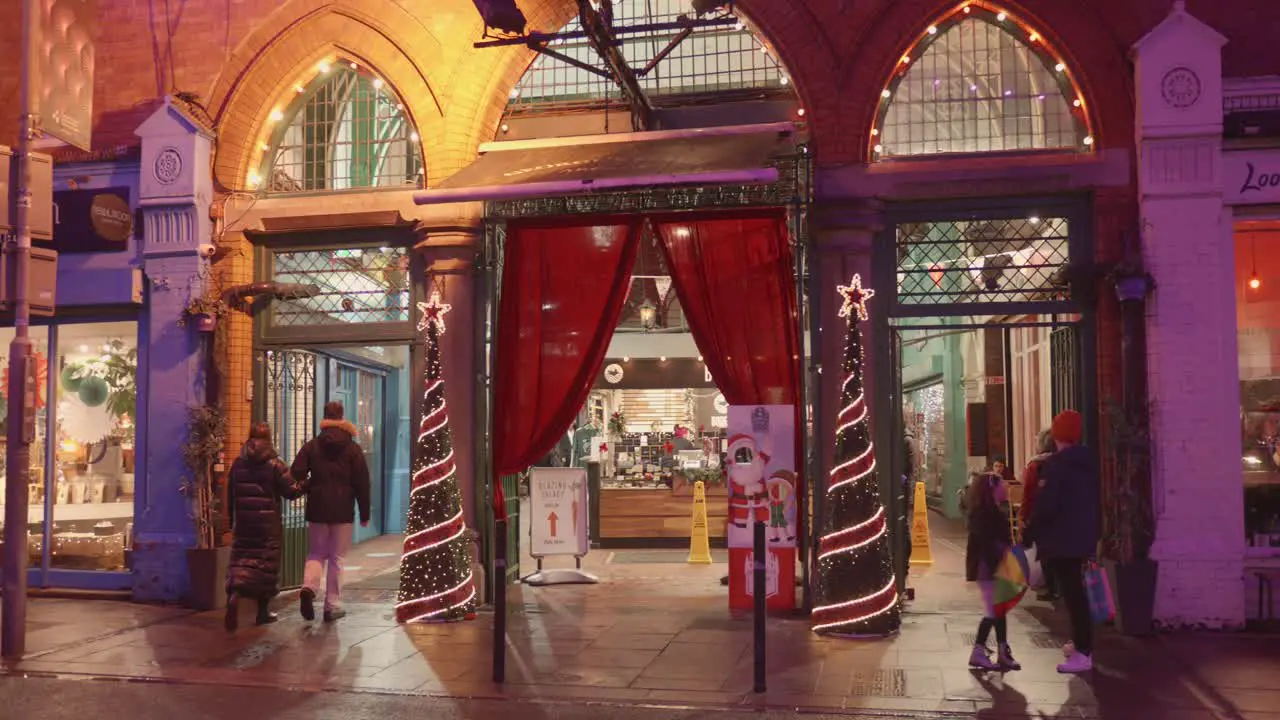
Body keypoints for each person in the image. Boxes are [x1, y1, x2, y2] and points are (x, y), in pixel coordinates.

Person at [1024, 409, 1099, 674]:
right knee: (1075, 594)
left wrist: (1029, 533)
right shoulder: (1087, 462)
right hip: (1080, 537)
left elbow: (1047, 506)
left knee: (1073, 596)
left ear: (1057, 434)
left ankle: (1083, 652)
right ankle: (1080, 642)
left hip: (1062, 540)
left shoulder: (1057, 465)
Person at [291, 401, 371, 623]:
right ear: (342, 417)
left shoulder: (312, 446)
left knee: (316, 553)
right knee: (337, 558)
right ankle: (332, 605)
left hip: (317, 507)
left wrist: (310, 482)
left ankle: (309, 588)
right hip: (343, 511)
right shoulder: (353, 448)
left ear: (324, 418)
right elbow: (362, 482)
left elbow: (296, 472)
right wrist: (364, 513)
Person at [224, 422, 305, 632]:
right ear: (269, 439)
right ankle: (262, 612)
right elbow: (290, 491)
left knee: (241, 560)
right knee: (265, 565)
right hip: (267, 525)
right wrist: (306, 485)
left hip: (244, 523)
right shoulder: (275, 463)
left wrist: (231, 520)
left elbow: (230, 494)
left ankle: (235, 594)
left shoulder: (238, 463)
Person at [965, 470, 1020, 671]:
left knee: (997, 609)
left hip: (989, 567)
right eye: (1001, 485)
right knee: (993, 610)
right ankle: (979, 651)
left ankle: (1001, 650)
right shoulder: (989, 514)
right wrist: (1001, 565)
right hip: (989, 568)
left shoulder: (986, 511)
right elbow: (989, 544)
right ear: (992, 490)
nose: (1005, 488)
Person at [1019, 429, 1059, 600]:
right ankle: (1061, 587)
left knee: (1044, 551)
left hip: (1041, 514)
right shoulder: (1061, 462)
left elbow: (1028, 493)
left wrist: (1023, 516)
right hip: (1061, 513)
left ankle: (1051, 587)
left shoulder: (1035, 466)